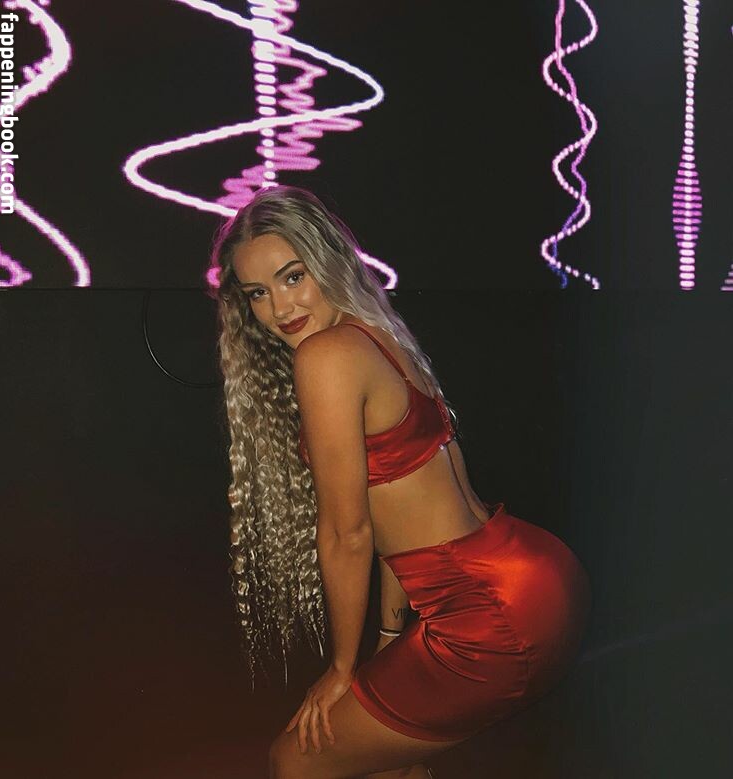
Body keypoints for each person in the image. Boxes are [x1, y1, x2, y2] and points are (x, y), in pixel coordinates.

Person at [210, 185, 592, 779]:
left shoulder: (326, 356)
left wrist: (342, 669)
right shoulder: (377, 333)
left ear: (328, 261)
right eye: (258, 293)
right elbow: (398, 512)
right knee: (389, 764)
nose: (280, 308)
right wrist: (390, 633)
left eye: (293, 277)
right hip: (535, 576)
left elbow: (349, 533)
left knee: (294, 763)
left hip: (487, 616)